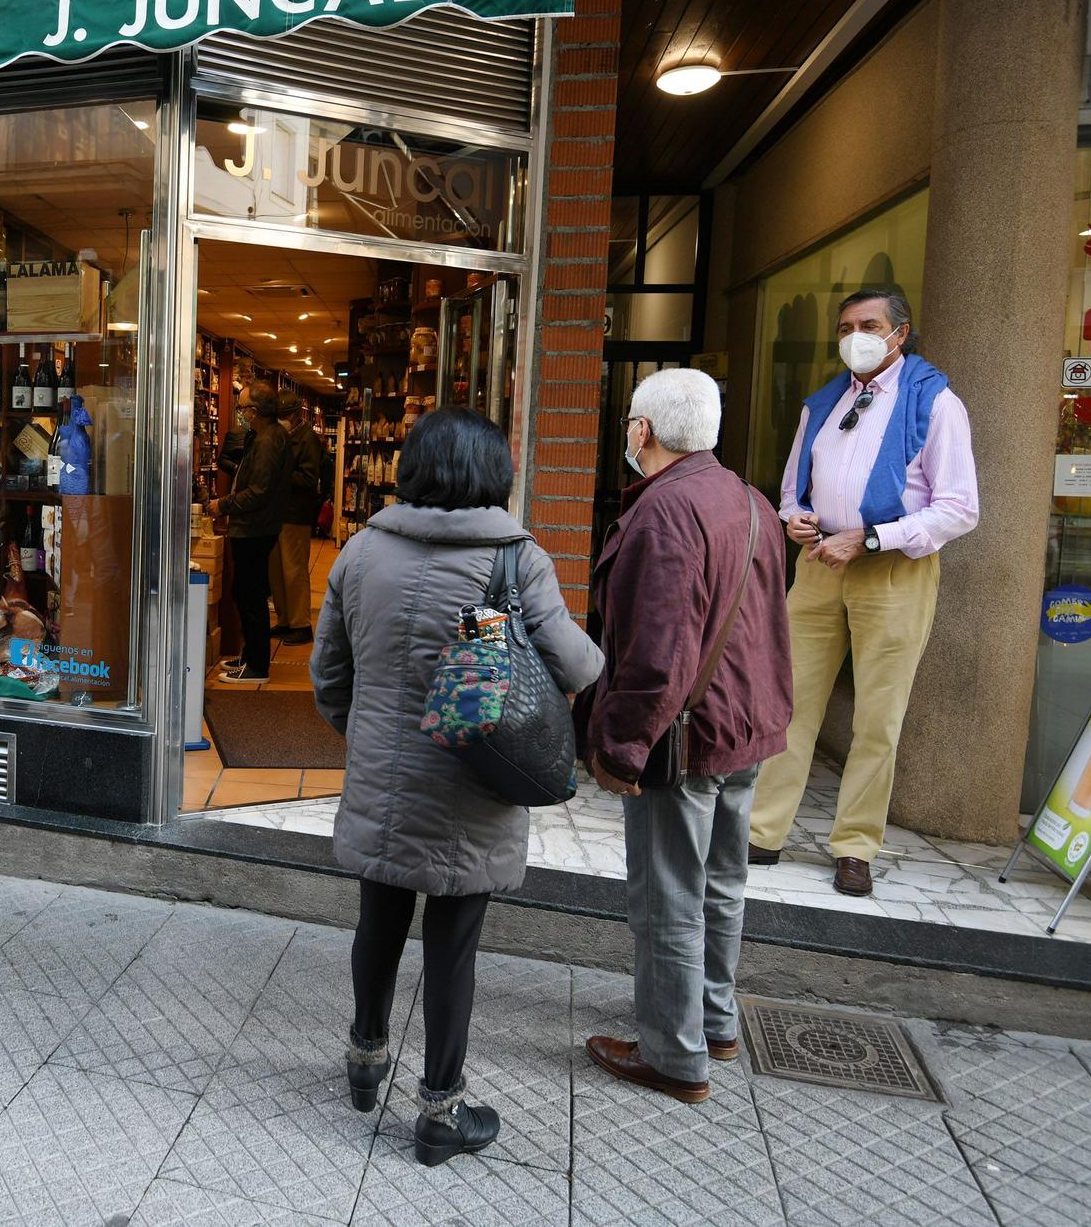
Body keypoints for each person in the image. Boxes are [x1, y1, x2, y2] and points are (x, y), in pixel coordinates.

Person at [311, 408, 601, 1166]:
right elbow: (574, 666)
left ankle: (365, 1058)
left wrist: (369, 736)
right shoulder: (516, 559)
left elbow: (328, 675)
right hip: (473, 784)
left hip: (383, 775)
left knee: (378, 916)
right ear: (493, 474)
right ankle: (440, 1110)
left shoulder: (362, 550)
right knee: (453, 944)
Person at [580, 369, 792, 1104]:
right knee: (723, 882)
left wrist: (621, 746)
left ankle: (674, 1054)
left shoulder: (664, 511)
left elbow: (657, 655)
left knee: (669, 891)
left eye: (630, 426)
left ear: (643, 431)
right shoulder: (749, 498)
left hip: (686, 736)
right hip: (745, 725)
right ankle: (714, 1020)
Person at [749, 287, 978, 897]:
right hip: (820, 560)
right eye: (846, 326)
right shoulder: (822, 402)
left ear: (899, 333)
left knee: (878, 715)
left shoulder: (936, 402)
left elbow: (958, 508)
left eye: (869, 324)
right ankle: (762, 831)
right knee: (788, 701)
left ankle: (854, 846)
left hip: (893, 568)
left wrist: (872, 538)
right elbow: (795, 485)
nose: (855, 335)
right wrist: (792, 516)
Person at [209, 385, 290, 685]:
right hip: (253, 525)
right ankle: (249, 656)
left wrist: (223, 505)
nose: (240, 413)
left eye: (242, 408)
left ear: (254, 412)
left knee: (251, 595)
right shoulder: (263, 437)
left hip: (256, 527)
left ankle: (257, 665)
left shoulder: (270, 441)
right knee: (243, 592)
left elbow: (259, 492)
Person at [268, 389, 327, 646]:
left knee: (294, 571)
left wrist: (279, 474)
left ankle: (301, 625)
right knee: (276, 572)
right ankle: (284, 621)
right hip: (276, 513)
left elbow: (308, 478)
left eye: (284, 415)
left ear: (294, 415)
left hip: (296, 514)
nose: (281, 419)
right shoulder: (280, 436)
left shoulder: (308, 439)